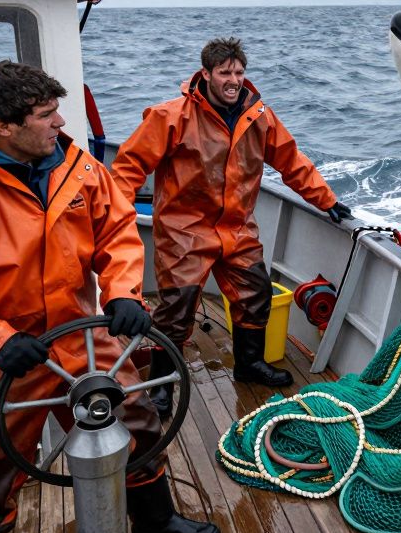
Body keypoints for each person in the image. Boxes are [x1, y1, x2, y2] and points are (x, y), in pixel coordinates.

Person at [0, 62, 220, 533]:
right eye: (46, 115)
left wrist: (123, 292)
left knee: (137, 425)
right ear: (4, 125)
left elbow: (117, 231)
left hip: (79, 336)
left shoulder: (79, 169)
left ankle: (155, 524)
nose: (61, 123)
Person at [110, 37, 351, 417]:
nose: (234, 80)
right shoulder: (171, 116)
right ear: (206, 74)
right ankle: (160, 386)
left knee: (255, 295)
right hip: (184, 231)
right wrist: (116, 216)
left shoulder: (259, 117)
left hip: (237, 229)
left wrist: (327, 200)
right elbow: (128, 167)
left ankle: (250, 364)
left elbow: (291, 162)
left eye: (239, 72)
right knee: (175, 310)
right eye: (225, 72)